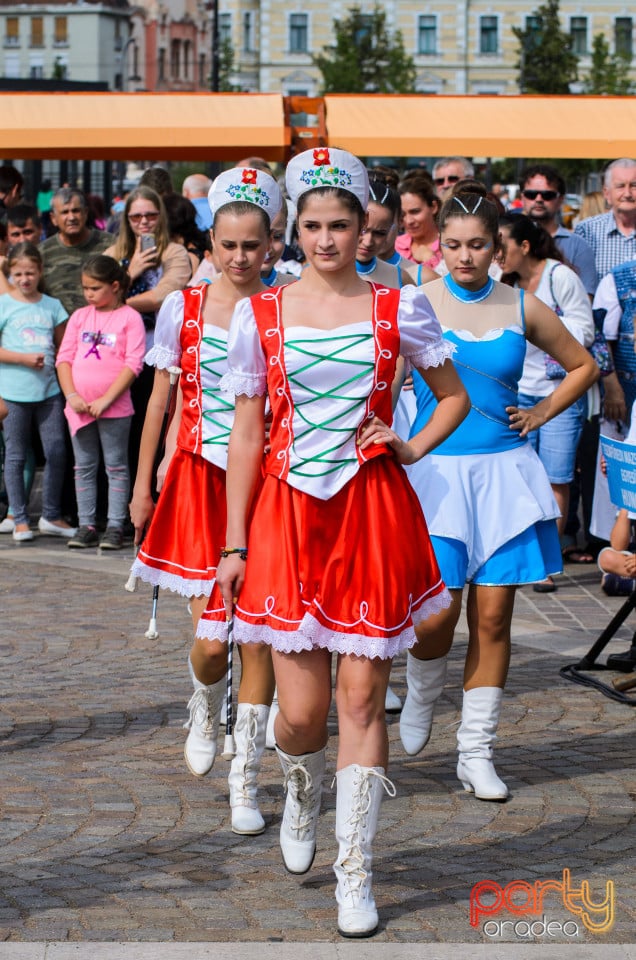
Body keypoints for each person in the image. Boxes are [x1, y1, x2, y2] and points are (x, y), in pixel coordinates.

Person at [199, 147, 469, 937]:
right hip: (286, 517)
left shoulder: (400, 309)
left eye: (340, 224)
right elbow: (246, 433)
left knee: (359, 698)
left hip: (371, 512)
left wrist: (411, 447)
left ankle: (356, 870)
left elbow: (449, 396)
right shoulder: (261, 314)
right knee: (303, 715)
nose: (325, 239)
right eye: (312, 225)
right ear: (295, 229)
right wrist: (234, 541)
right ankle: (301, 789)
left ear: (363, 230)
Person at [400, 182, 597, 801]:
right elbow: (384, 377)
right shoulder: (415, 303)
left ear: (499, 248)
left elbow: (583, 364)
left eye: (478, 245)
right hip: (435, 476)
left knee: (494, 616)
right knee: (437, 614)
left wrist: (540, 414)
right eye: (453, 245)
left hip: (505, 475)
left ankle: (476, 751)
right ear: (439, 247)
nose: (464, 256)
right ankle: (423, 688)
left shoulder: (522, 305)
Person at [128, 166, 283, 837]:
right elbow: (160, 400)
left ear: (270, 246)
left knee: (259, 636)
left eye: (253, 245)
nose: (241, 257)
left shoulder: (285, 308)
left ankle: (245, 775)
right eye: (230, 245)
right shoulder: (182, 308)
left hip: (268, 481)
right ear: (212, 244)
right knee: (213, 637)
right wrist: (142, 483)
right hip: (197, 476)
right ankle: (202, 701)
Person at [498, 213, 595, 589]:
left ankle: (548, 562)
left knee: (555, 477)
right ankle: (520, 553)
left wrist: (537, 324)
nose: (495, 254)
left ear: (524, 246)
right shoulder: (501, 281)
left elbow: (584, 332)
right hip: (517, 391)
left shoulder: (560, 277)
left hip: (558, 392)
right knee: (519, 476)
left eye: (500, 244)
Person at [55, 256, 145, 550]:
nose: (88, 294)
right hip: (79, 408)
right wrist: (72, 395)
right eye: (85, 288)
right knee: (84, 466)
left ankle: (116, 525)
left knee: (116, 466)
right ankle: (87, 524)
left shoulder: (129, 318)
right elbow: (64, 359)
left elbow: (133, 363)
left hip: (114, 408)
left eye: (94, 288)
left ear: (115, 286)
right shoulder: (80, 317)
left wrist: (107, 399)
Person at [104, 185, 192, 487]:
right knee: (120, 436)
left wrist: (121, 299)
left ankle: (152, 499)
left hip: (158, 354)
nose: (143, 222)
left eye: (150, 215)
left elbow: (164, 296)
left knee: (153, 428)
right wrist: (132, 269)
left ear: (161, 217)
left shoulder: (175, 252)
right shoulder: (114, 254)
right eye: (136, 216)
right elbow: (96, 294)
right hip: (117, 357)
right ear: (126, 220)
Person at [0, 242, 76, 542]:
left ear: (40, 271)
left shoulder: (52, 306)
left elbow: (64, 347)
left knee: (56, 451)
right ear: (10, 274)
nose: (24, 279)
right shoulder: (5, 304)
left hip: (49, 392)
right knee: (16, 455)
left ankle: (51, 514)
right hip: (14, 392)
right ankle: (19, 518)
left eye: (30, 272)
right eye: (18, 273)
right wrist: (23, 359)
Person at [519, 164, 597, 297]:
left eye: (547, 195)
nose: (539, 199)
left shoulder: (578, 246)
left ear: (560, 199)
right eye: (531, 194)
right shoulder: (508, 241)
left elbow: (585, 301)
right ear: (522, 197)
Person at [39, 188, 112, 315]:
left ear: (86, 213)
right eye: (64, 212)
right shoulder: (42, 253)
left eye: (76, 211)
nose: (71, 217)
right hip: (58, 330)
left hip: (102, 326)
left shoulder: (110, 244)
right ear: (53, 218)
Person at [575, 158, 636, 283]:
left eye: (634, 185)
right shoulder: (587, 231)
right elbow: (579, 285)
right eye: (620, 186)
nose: (627, 193)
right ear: (607, 193)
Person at [396, 174, 442, 276]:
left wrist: (431, 260)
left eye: (415, 212)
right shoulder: (394, 246)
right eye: (403, 214)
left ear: (433, 207)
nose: (408, 221)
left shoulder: (450, 245)